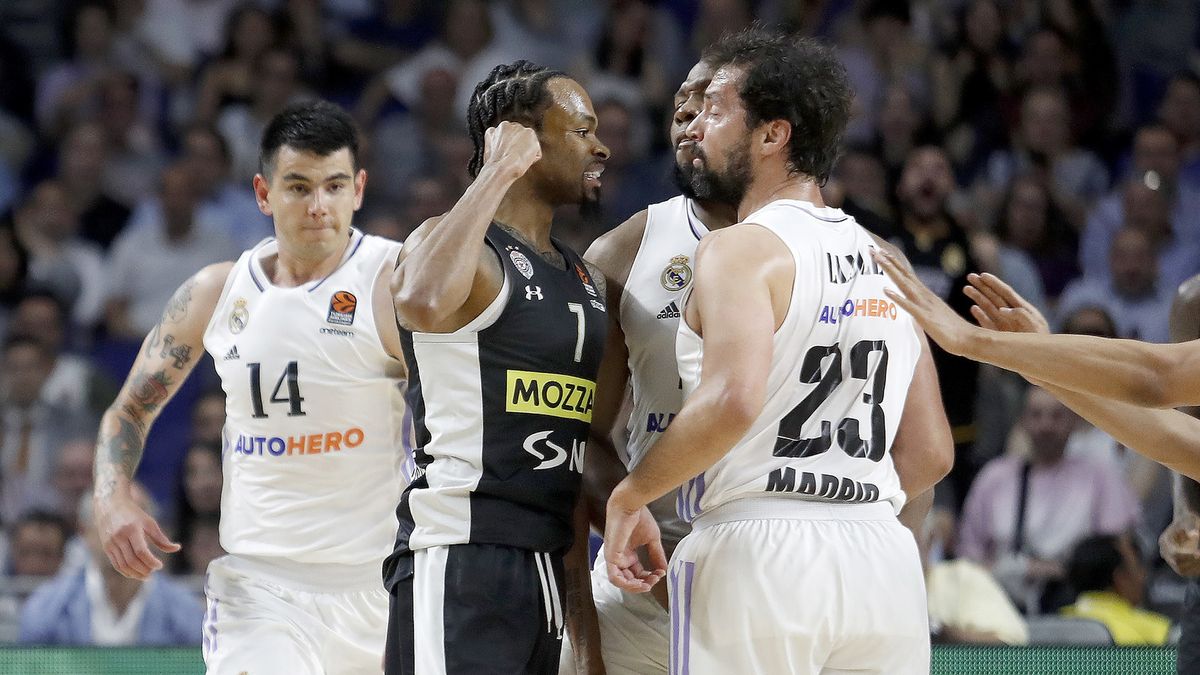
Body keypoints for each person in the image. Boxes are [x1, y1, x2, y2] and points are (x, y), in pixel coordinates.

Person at [603, 29, 953, 674]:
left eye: (715, 112)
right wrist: (837, 496)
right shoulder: (889, 260)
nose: (694, 127)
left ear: (772, 136)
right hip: (880, 553)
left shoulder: (737, 249)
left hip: (758, 546)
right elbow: (931, 451)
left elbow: (733, 401)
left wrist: (629, 496)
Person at [91, 100, 408, 674]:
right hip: (260, 587)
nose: (319, 206)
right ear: (263, 193)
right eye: (299, 187)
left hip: (380, 580)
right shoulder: (216, 291)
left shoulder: (395, 283)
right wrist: (112, 499)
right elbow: (128, 410)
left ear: (359, 189)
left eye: (335, 186)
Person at [385, 60, 610, 675]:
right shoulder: (456, 247)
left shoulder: (585, 278)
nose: (601, 148)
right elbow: (421, 302)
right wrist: (498, 170)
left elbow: (575, 452)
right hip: (461, 556)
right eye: (582, 131)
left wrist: (585, 639)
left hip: (548, 562)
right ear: (519, 137)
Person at [20, 487, 202, 646]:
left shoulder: (186, 612)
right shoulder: (44, 610)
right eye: (110, 519)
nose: (122, 533)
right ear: (84, 532)